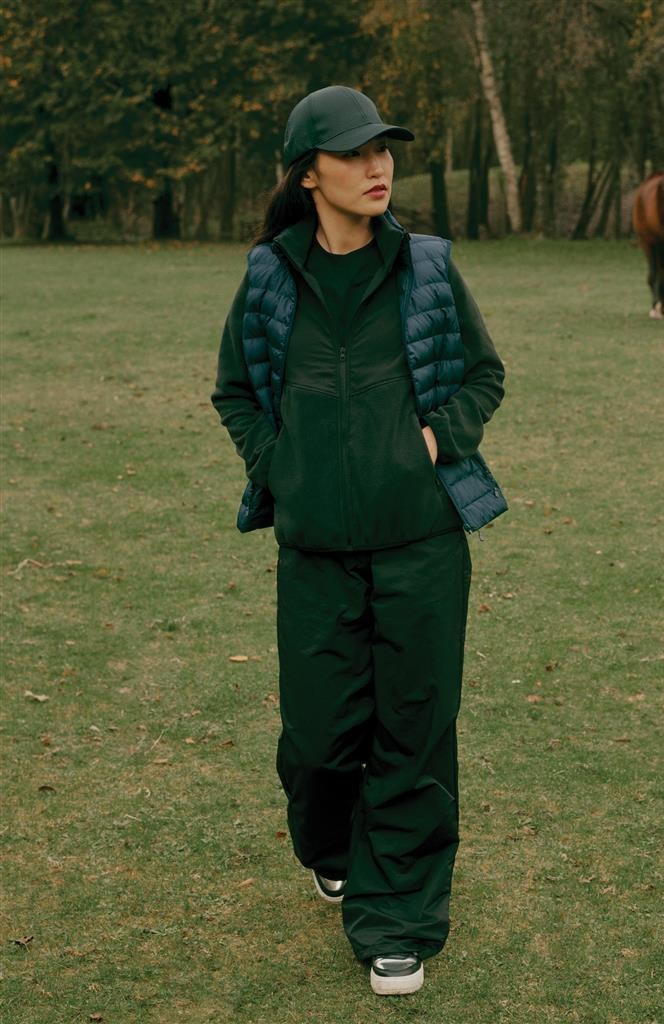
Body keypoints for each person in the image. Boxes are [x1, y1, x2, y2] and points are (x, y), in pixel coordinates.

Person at [212, 85, 506, 997]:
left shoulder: (426, 268)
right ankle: (331, 845)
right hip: (314, 555)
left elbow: (483, 375)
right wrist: (281, 464)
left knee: (413, 735)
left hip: (421, 546)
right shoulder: (269, 276)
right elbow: (235, 391)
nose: (377, 167)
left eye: (383, 150)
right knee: (318, 746)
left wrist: (435, 441)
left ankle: (397, 923)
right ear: (308, 174)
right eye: (353, 153)